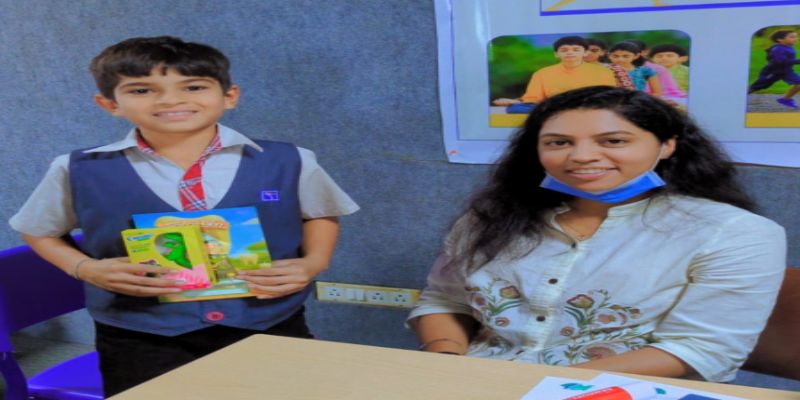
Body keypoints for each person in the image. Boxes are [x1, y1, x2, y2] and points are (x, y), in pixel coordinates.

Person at [9, 36, 359, 396]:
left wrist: (314, 262)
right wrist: (85, 268)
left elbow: (320, 212)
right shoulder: (77, 168)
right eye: (142, 90)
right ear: (110, 103)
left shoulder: (290, 159)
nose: (170, 100)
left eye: (193, 87)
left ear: (230, 96)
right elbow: (39, 230)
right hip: (140, 334)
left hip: (269, 320)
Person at [408, 86, 785, 382]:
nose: (581, 156)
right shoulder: (489, 219)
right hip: (479, 381)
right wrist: (448, 361)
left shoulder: (734, 233)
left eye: (613, 141)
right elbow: (446, 300)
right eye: (559, 142)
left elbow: (703, 349)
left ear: (667, 145)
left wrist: (537, 385)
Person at [493, 36, 616, 114]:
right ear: (556, 54)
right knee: (515, 109)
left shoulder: (603, 72)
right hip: (554, 106)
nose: (570, 53)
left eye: (576, 50)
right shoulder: (543, 73)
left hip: (588, 106)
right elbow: (533, 99)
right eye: (564, 50)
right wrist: (516, 102)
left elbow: (607, 96)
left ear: (585, 53)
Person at [748, 30, 800, 109]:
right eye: (792, 37)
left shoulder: (788, 47)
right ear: (780, 39)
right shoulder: (777, 49)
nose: (795, 39)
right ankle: (739, 96)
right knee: (757, 86)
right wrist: (797, 61)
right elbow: (780, 62)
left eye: (796, 37)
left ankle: (785, 99)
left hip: (786, 71)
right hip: (773, 72)